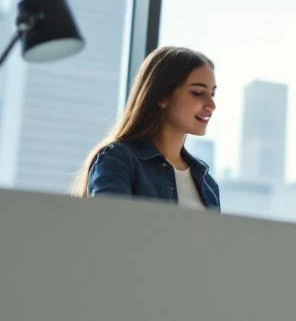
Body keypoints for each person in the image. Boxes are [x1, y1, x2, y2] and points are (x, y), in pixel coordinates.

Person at [73, 46, 221, 210]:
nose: (211, 105)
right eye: (198, 92)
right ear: (162, 97)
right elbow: (109, 229)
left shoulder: (208, 184)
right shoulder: (119, 160)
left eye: (212, 94)